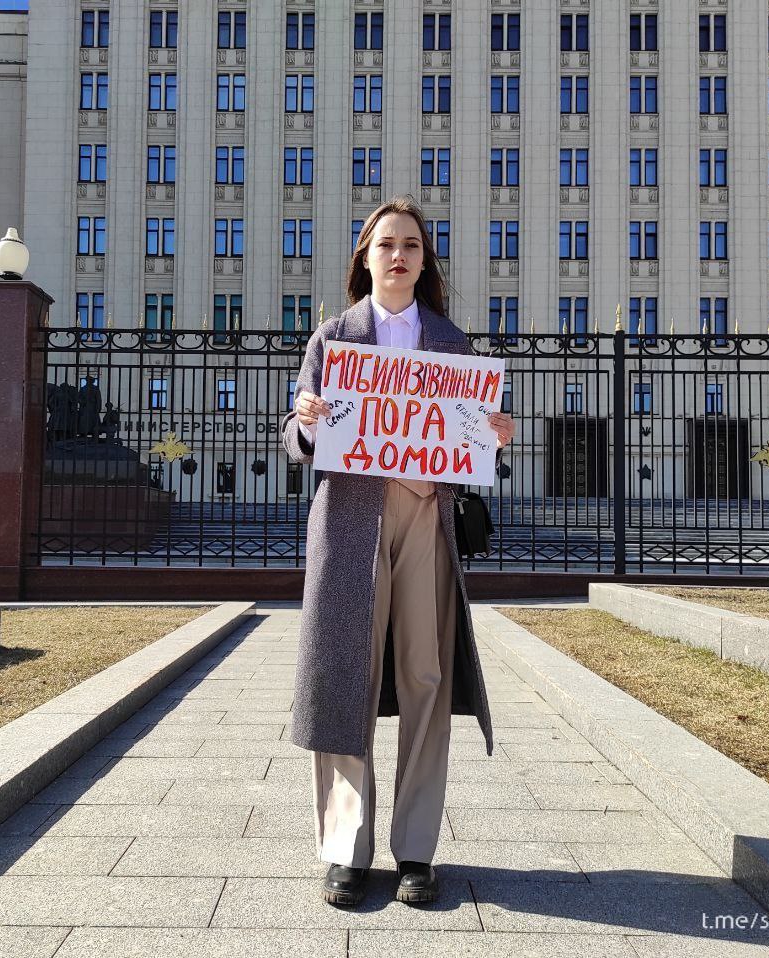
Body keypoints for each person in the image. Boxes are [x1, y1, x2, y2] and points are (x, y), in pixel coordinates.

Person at [281, 197, 515, 909]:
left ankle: (416, 850)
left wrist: (494, 438)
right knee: (343, 671)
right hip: (351, 519)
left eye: (411, 244)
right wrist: (307, 419)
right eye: (386, 244)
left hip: (424, 514)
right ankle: (345, 849)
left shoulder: (451, 343)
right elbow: (294, 437)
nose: (399, 255)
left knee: (425, 674)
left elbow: (472, 446)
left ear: (423, 260)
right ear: (366, 257)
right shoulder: (334, 338)